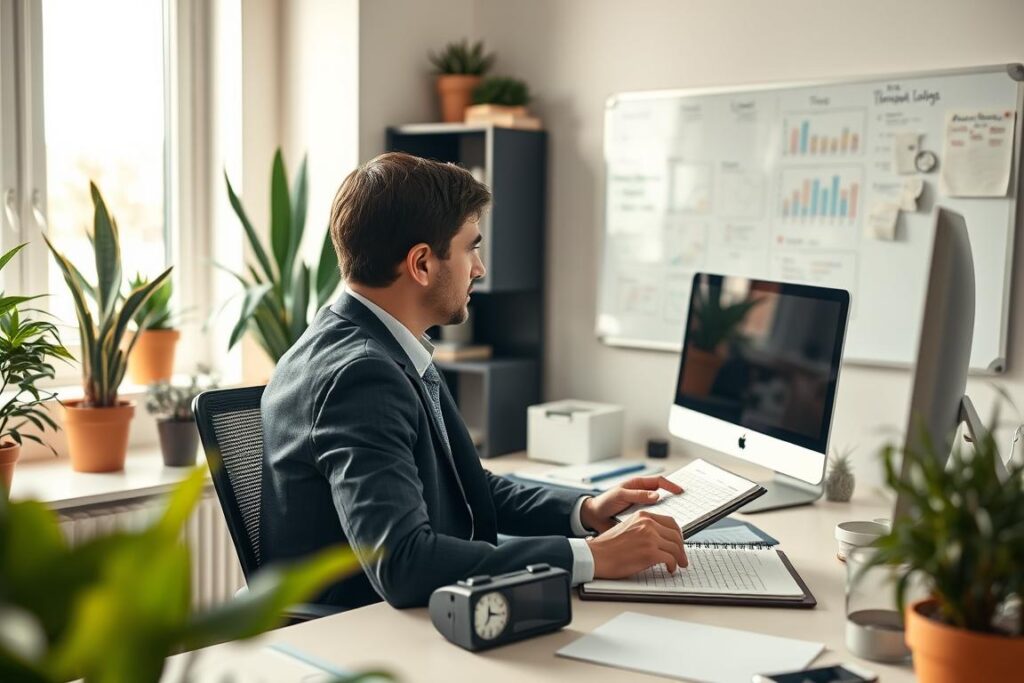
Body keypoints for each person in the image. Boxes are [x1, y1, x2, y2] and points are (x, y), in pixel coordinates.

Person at [260, 152, 687, 609]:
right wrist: (590, 558)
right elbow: (404, 563)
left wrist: (583, 511)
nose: (479, 269)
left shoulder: (384, 343)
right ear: (422, 264)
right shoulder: (361, 376)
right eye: (471, 248)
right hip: (363, 633)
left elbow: (465, 484)